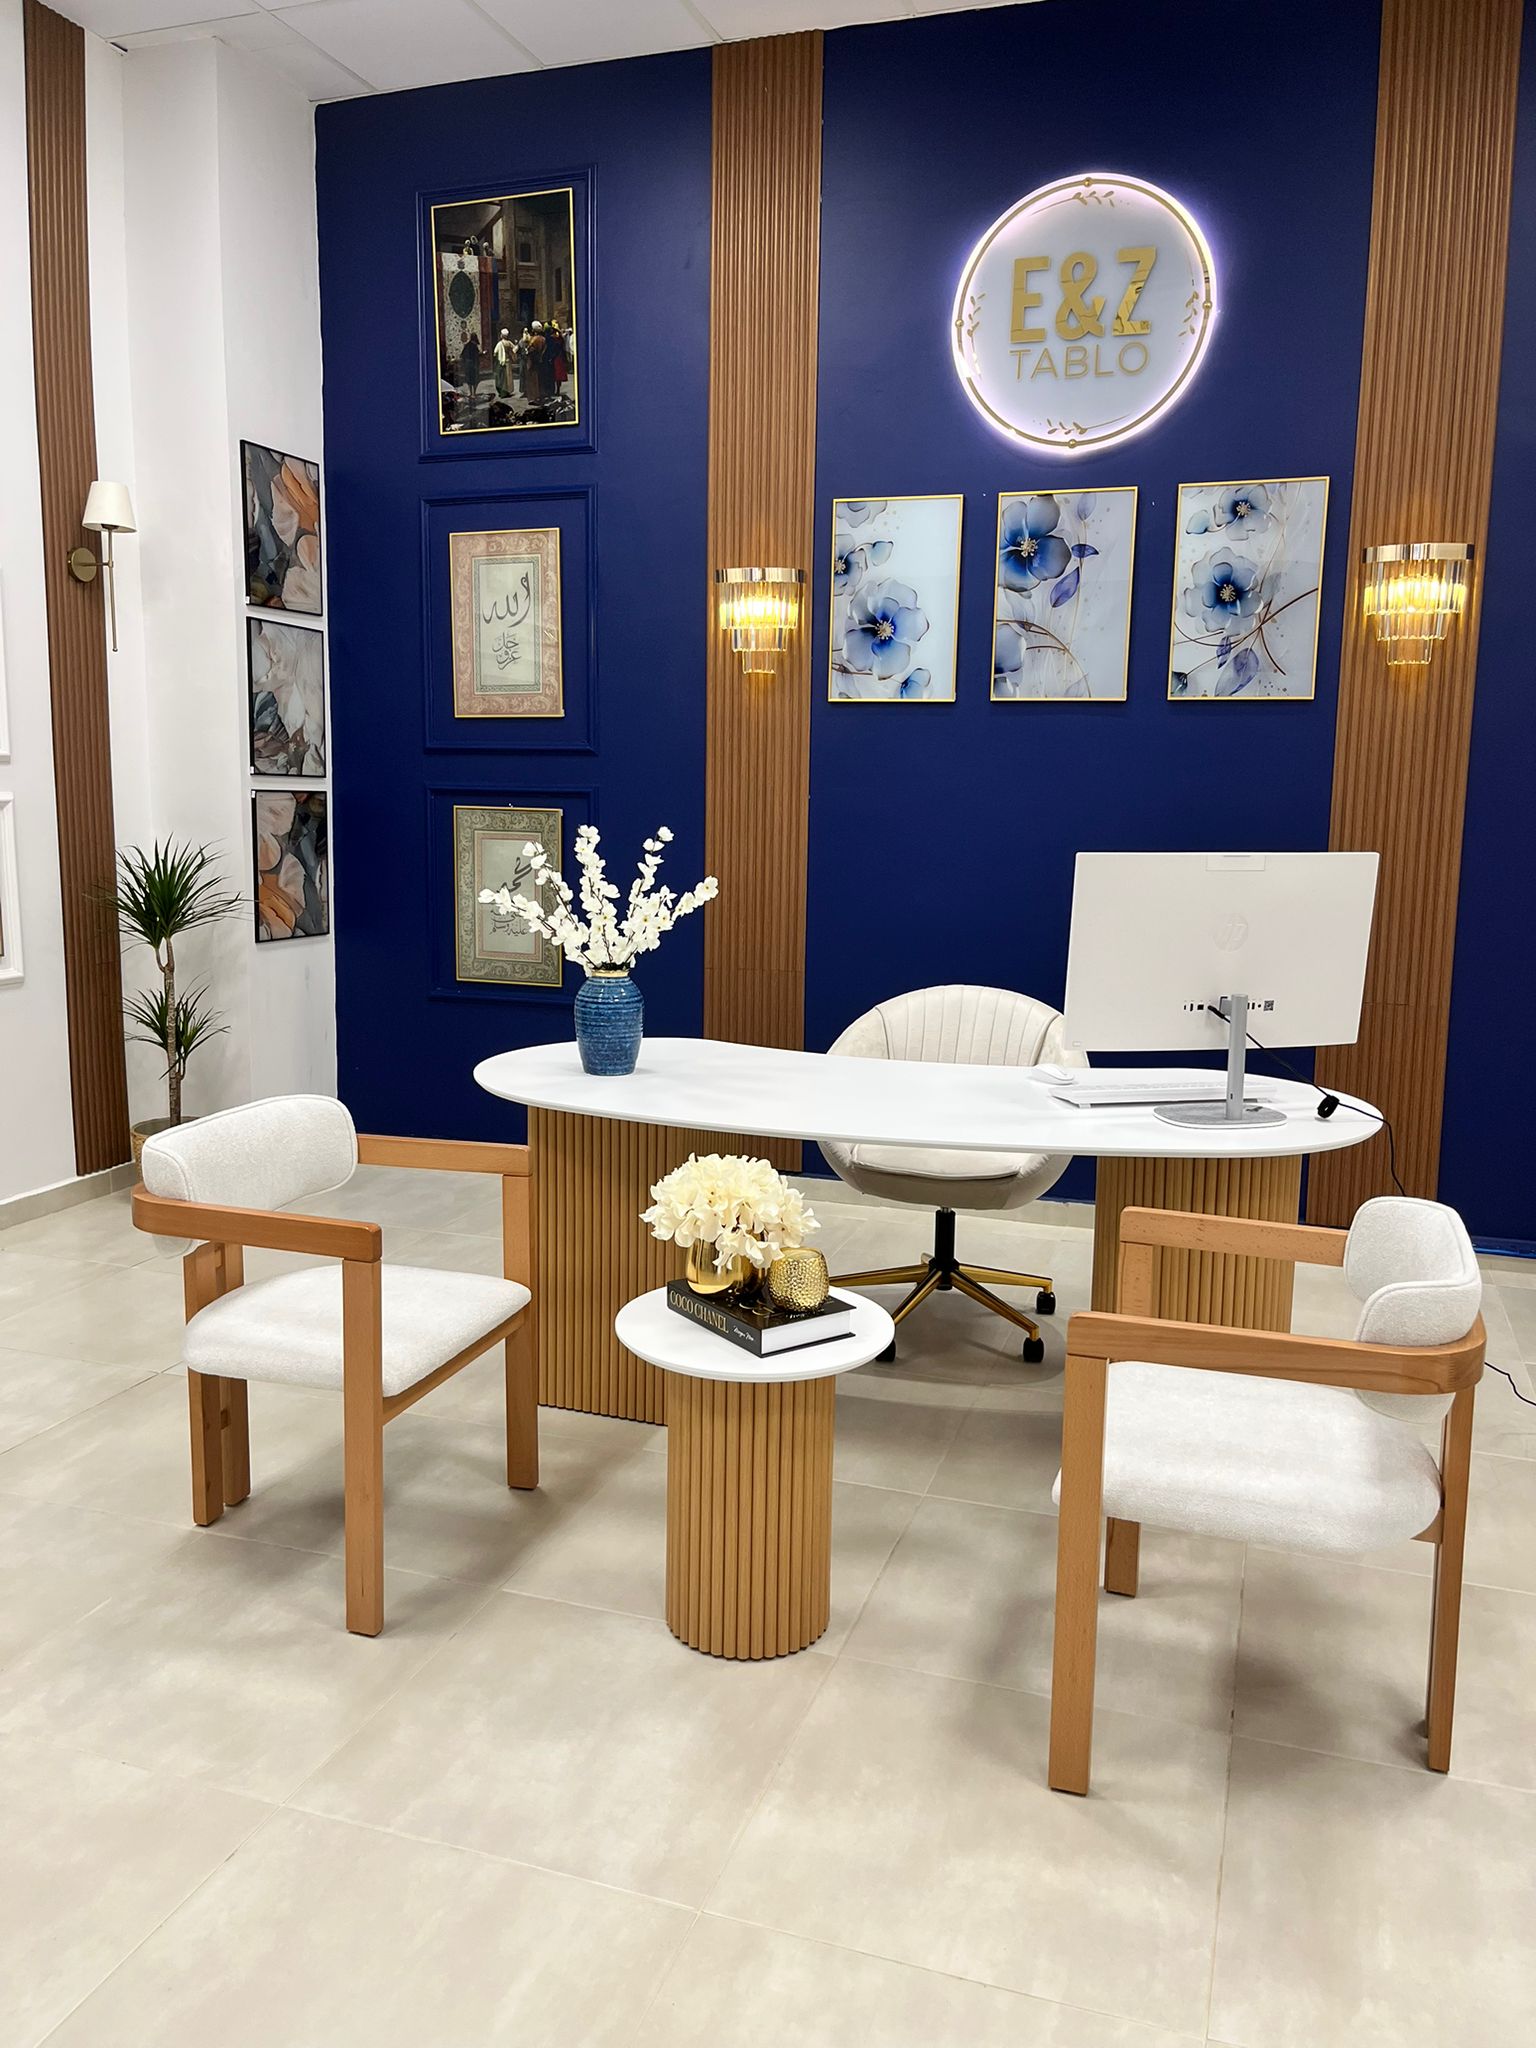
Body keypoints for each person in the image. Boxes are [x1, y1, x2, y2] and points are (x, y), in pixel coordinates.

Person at [493, 327, 512, 398]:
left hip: (501, 362)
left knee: (501, 378)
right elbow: (514, 349)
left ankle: (503, 392)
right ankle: (508, 391)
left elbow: (495, 352)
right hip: (508, 361)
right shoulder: (509, 343)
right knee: (508, 377)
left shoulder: (500, 343)